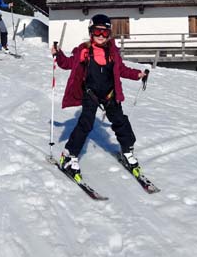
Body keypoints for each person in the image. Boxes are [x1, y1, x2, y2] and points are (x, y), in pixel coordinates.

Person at [51, 13, 147, 177]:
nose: (101, 36)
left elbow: (121, 70)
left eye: (104, 32)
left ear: (109, 34)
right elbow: (68, 64)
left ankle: (127, 150)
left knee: (120, 121)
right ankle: (69, 155)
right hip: (91, 94)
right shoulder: (84, 51)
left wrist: (138, 74)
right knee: (85, 123)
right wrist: (58, 55)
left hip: (110, 94)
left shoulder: (112, 52)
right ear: (91, 32)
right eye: (97, 32)